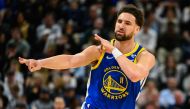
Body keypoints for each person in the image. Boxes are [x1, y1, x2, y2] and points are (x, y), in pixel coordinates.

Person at [19, 4, 155, 109]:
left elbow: (135, 75)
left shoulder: (144, 56)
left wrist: (114, 50)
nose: (121, 25)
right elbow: (70, 60)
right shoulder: (99, 51)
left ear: (137, 29)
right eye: (119, 21)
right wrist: (40, 63)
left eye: (127, 23)